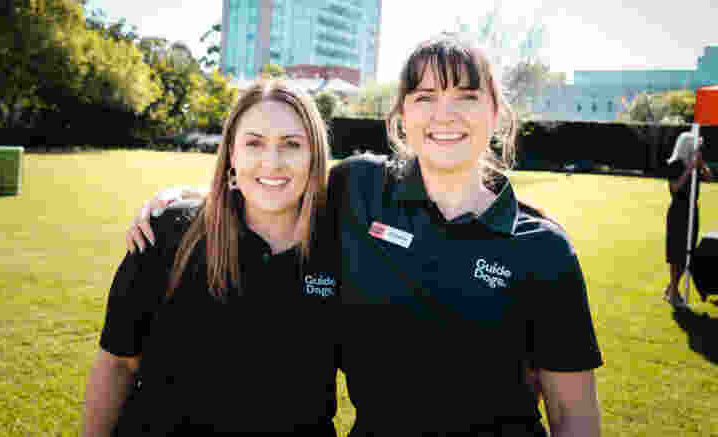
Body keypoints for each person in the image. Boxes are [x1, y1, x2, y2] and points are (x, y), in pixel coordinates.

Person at [126, 34, 604, 436]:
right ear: (400, 117)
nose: (445, 114)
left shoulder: (544, 249)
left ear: (496, 113)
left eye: (466, 96)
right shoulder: (358, 188)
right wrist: (189, 194)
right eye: (425, 98)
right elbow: (276, 181)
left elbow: (572, 413)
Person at [82, 80, 340, 436]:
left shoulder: (343, 245)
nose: (272, 161)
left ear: (314, 155)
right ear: (231, 153)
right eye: (254, 143)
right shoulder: (170, 232)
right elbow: (117, 364)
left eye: (292, 144)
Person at [663, 131, 713, 307]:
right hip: (678, 212)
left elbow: (709, 178)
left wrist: (701, 165)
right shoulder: (675, 164)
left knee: (689, 253)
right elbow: (675, 188)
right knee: (677, 253)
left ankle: (671, 287)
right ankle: (674, 293)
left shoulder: (696, 164)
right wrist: (689, 169)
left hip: (693, 211)